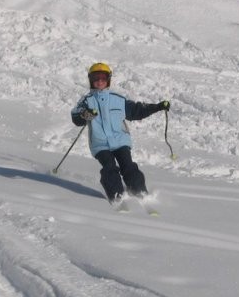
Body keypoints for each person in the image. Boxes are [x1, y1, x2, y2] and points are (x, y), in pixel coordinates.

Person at [71, 62, 170, 203]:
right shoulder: (87, 101)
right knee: (109, 167)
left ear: (108, 79)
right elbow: (76, 117)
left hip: (120, 141)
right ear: (90, 80)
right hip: (100, 144)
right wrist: (84, 115)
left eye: (103, 78)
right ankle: (116, 195)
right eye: (96, 78)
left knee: (128, 165)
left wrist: (158, 107)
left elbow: (137, 111)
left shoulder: (118, 99)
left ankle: (139, 191)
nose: (99, 81)